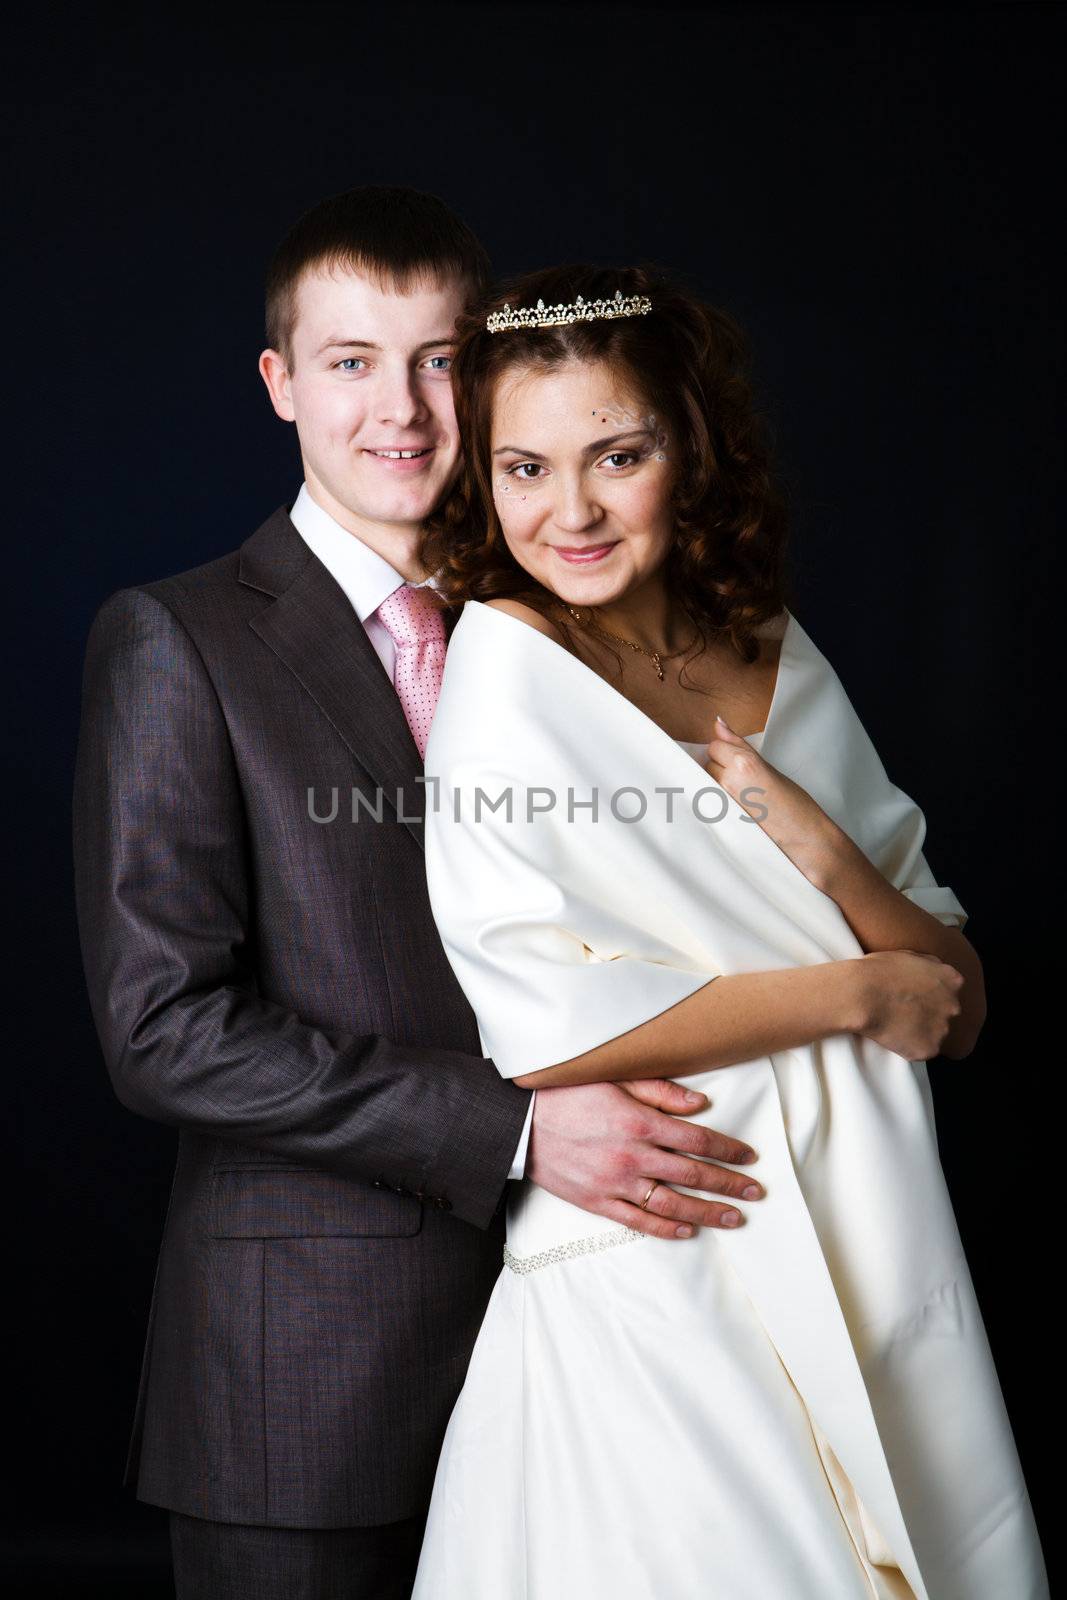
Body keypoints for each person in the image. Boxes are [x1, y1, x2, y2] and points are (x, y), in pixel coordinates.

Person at [72, 193, 766, 1600]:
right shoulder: (177, 641)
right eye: (348, 361)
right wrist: (513, 1132)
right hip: (309, 1380)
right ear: (279, 384)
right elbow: (163, 1027)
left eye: (441, 359)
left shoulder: (571, 616)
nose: (400, 408)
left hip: (599, 1341)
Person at [410, 264, 1049, 1598]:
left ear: (688, 452)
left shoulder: (772, 644)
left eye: (618, 455)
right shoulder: (503, 669)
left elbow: (957, 993)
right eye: (523, 468)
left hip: (872, 1215)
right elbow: (541, 1029)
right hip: (672, 1227)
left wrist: (821, 848)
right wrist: (849, 997)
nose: (568, 510)